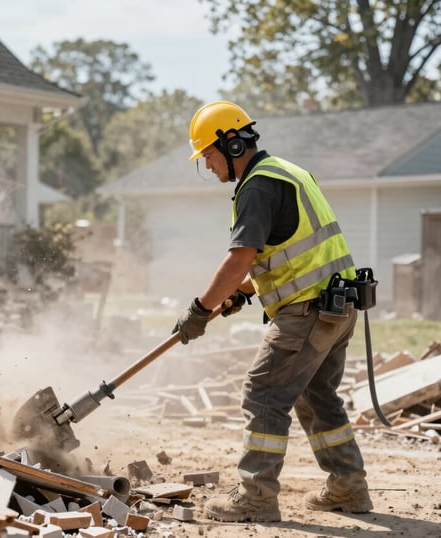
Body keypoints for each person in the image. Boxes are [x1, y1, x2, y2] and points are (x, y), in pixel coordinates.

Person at [172, 101, 372, 523]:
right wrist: (242, 293)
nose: (207, 166)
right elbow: (286, 249)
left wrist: (199, 309)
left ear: (231, 142)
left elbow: (239, 258)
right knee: (319, 397)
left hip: (307, 311)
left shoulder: (258, 186)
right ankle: (348, 487)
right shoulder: (289, 171)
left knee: (264, 393)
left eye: (207, 155)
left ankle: (256, 497)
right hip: (338, 305)